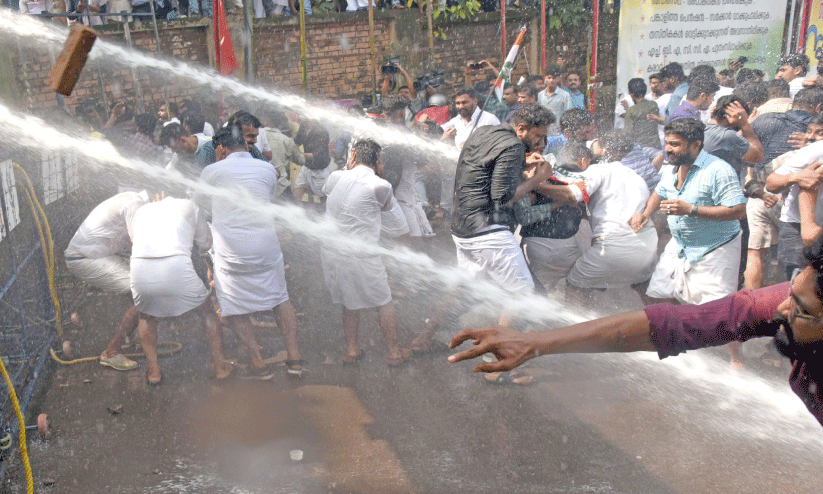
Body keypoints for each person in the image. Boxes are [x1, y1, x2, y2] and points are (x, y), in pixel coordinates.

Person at [448, 237, 823, 427]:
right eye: (791, 291)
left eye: (802, 310)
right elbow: (674, 325)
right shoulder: (786, 301)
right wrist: (533, 343)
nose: (781, 309)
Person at [421, 103, 557, 384]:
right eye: (538, 136)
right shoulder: (514, 146)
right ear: (522, 129)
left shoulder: (485, 132)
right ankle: (497, 365)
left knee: (464, 289)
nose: (540, 143)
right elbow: (503, 196)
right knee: (522, 294)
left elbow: (484, 170)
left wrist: (522, 165)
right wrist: (539, 178)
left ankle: (423, 339)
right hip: (487, 230)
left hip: (462, 227)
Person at [198, 126, 304, 377]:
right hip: (266, 248)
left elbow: (199, 205)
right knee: (280, 298)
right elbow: (265, 194)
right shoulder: (266, 168)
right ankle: (295, 358)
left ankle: (259, 362)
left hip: (231, 254)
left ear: (221, 148)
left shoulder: (211, 171)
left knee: (234, 306)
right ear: (246, 145)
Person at [632, 118, 747, 305]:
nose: (668, 149)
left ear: (696, 145)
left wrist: (691, 210)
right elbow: (660, 191)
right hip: (680, 246)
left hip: (715, 250)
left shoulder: (719, 170)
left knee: (712, 311)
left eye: (675, 144)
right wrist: (645, 214)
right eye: (667, 143)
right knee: (658, 299)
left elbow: (739, 210)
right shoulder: (673, 168)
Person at [321, 138, 412, 366]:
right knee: (384, 301)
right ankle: (393, 353)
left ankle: (351, 350)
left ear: (352, 156)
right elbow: (401, 228)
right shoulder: (380, 185)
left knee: (349, 301)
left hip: (332, 253)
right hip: (362, 256)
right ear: (378, 159)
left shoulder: (335, 177)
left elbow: (332, 193)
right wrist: (382, 176)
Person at [129, 196, 232, 385]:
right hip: (176, 266)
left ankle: (154, 372)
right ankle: (220, 367)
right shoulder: (189, 205)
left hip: (141, 271)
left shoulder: (141, 211)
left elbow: (135, 242)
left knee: (145, 316)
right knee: (207, 311)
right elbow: (206, 243)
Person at [64, 191, 149, 372]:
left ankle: (130, 337)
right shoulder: (136, 205)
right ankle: (112, 352)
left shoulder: (133, 199)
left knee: (143, 290)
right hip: (83, 258)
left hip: (97, 255)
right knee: (143, 294)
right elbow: (139, 248)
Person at [439, 86, 500, 218]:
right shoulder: (457, 120)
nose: (461, 106)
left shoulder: (489, 120)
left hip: (480, 173)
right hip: (458, 170)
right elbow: (439, 131)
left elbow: (498, 146)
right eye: (457, 103)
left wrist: (473, 145)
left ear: (475, 101)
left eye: (464, 102)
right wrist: (443, 137)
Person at [292, 118, 331, 209]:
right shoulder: (303, 126)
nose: (301, 117)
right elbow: (297, 141)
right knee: (296, 195)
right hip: (306, 167)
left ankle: (326, 215)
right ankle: (299, 214)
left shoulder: (321, 131)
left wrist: (300, 154)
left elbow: (317, 155)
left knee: (324, 199)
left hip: (319, 170)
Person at [623, 78, 662, 149]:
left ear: (632, 94)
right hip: (656, 146)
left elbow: (628, 133)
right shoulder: (653, 104)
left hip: (640, 149)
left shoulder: (631, 111)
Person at [537, 65, 572, 135]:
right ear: (545, 78)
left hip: (558, 133)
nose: (551, 80)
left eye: (554, 78)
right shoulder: (540, 95)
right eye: (549, 78)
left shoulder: (565, 95)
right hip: (543, 133)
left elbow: (568, 115)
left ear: (558, 79)